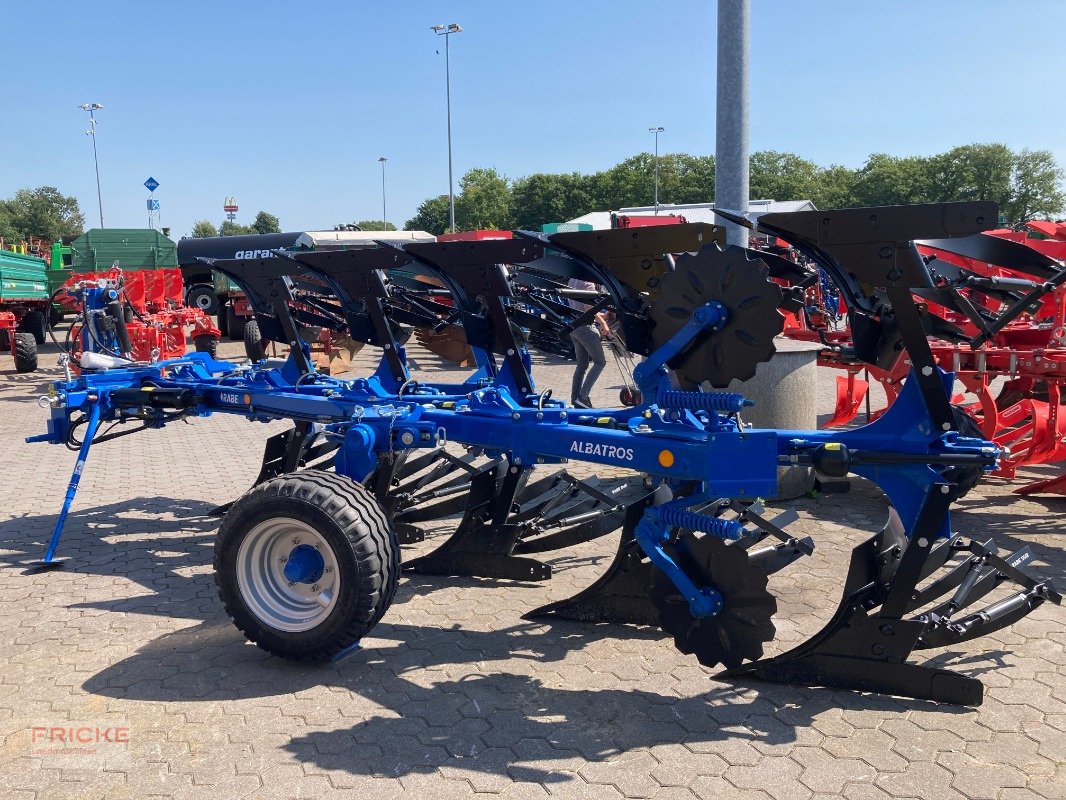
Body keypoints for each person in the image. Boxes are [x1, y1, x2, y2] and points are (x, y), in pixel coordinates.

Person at [567, 277, 611, 408]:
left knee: (582, 365)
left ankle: (575, 399)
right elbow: (588, 309)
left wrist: (603, 315)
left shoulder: (572, 280)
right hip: (586, 328)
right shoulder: (588, 282)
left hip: (574, 327)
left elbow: (580, 308)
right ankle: (583, 397)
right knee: (600, 362)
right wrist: (603, 324)